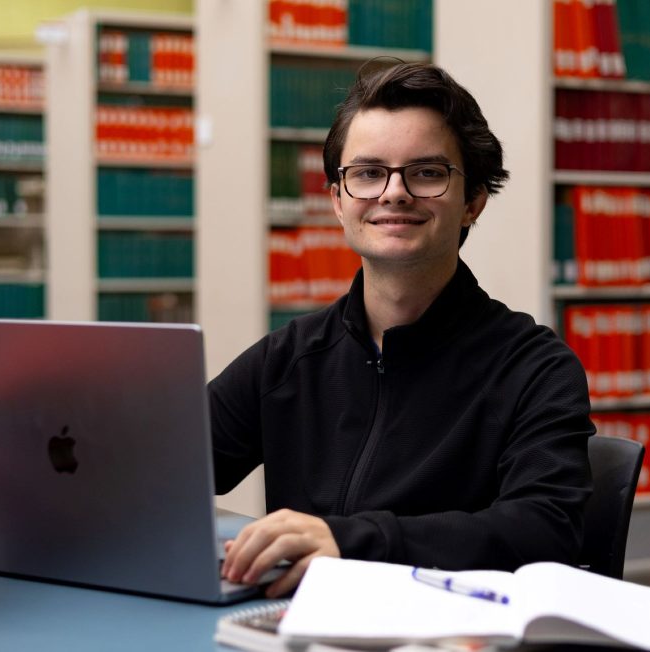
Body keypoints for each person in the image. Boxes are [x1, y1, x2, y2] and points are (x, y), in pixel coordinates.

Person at [211, 62, 595, 598]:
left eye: (427, 173)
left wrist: (351, 543)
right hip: (296, 628)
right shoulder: (288, 358)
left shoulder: (533, 367)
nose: (393, 193)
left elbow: (545, 531)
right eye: (367, 173)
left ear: (474, 202)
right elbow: (167, 470)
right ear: (338, 201)